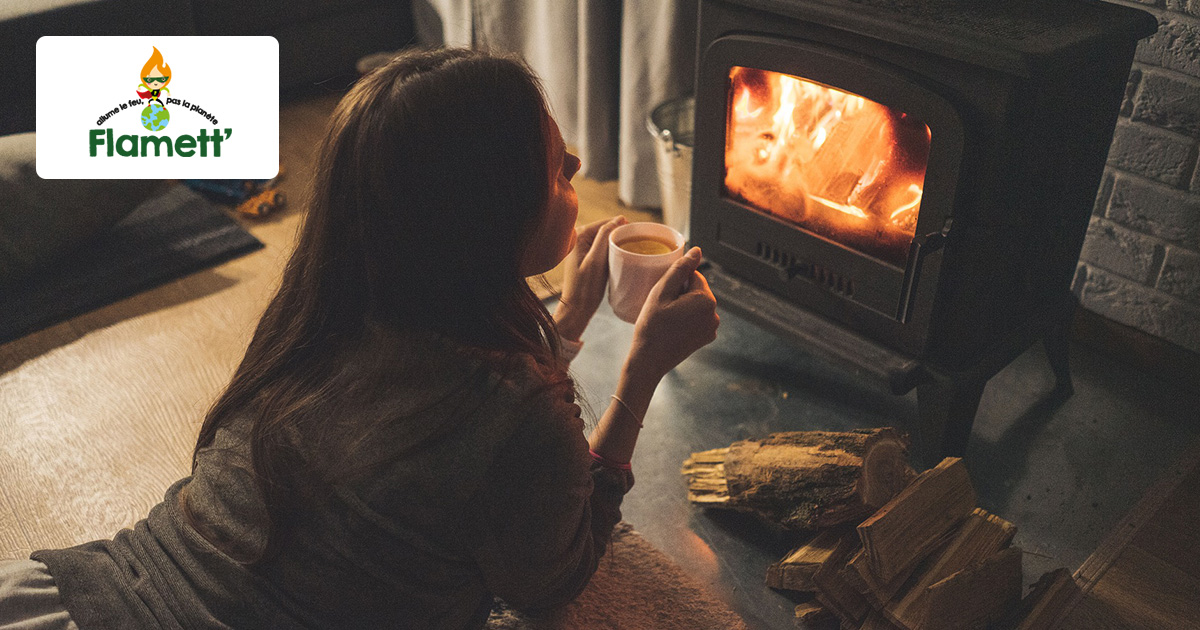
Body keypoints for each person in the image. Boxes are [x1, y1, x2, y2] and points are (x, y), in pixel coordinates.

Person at [0, 48, 719, 629]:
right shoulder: (518, 422)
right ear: (482, 219)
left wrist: (562, 330)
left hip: (83, 593)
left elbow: (446, 436)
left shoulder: (322, 311)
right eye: (552, 162)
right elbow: (554, 580)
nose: (576, 169)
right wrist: (642, 371)